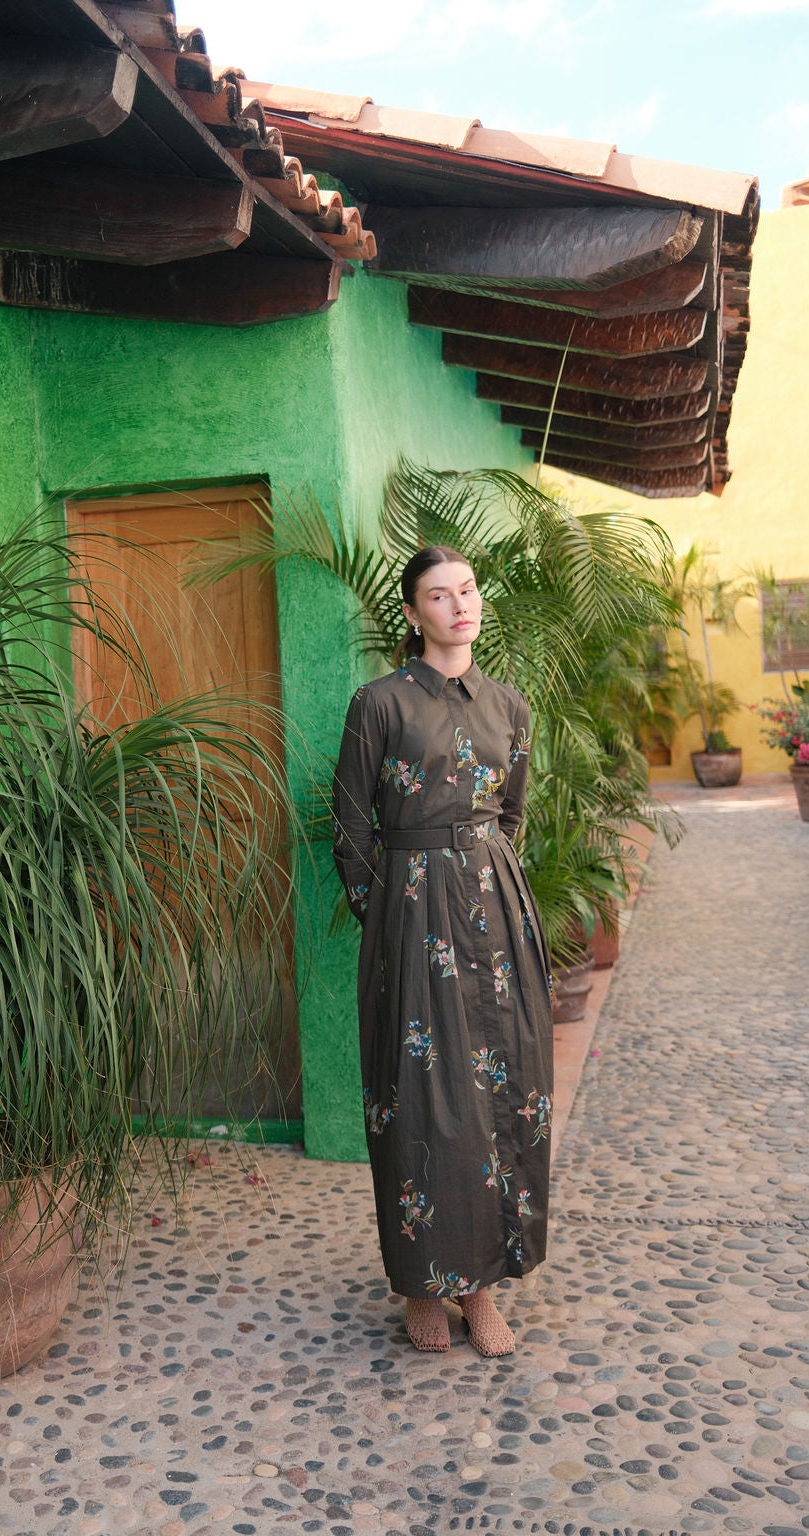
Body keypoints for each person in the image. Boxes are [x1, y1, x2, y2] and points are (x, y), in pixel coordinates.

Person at [332, 545, 553, 1354]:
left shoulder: (511, 707)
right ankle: (421, 1286)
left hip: (496, 915)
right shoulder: (380, 703)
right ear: (413, 613)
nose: (459, 605)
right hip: (411, 919)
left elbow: (511, 814)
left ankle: (482, 1290)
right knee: (421, 1098)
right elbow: (353, 827)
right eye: (438, 595)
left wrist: (483, 882)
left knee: (502, 1090)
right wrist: (390, 917)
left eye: (466, 591)